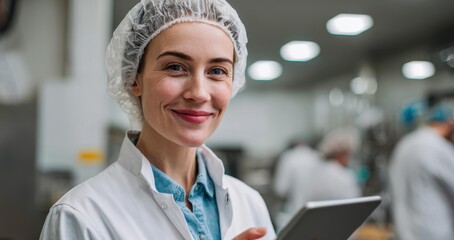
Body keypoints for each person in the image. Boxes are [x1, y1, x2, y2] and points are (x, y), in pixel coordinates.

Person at [40, 0, 276, 239]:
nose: (199, 93)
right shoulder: (81, 216)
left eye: (217, 71)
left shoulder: (248, 203)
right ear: (133, 78)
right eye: (175, 67)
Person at [388, 103, 454, 240]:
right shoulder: (440, 148)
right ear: (450, 123)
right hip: (434, 233)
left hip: (404, 231)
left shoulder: (403, 145)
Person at [272, 139, 321, 230]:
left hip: (293, 213)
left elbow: (280, 189)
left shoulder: (288, 157)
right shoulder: (316, 156)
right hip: (316, 214)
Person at [305, 128, 361, 201]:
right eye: (348, 155)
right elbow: (354, 204)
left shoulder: (316, 173)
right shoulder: (344, 175)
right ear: (342, 154)